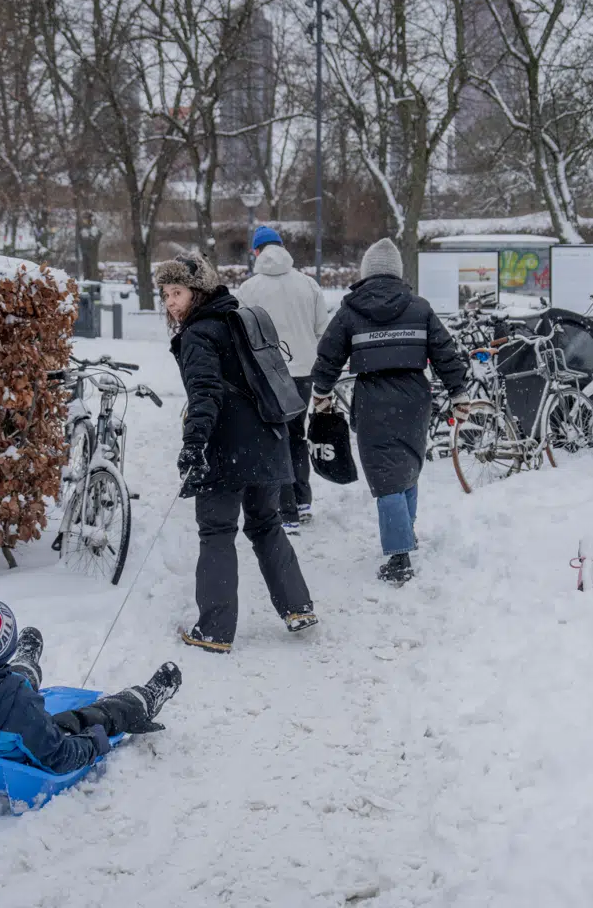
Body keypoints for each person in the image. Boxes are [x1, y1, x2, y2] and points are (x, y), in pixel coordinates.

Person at [158, 252, 318, 653]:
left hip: (227, 446)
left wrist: (194, 445)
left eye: (176, 292)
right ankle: (298, 607)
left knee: (216, 532)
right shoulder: (237, 319)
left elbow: (205, 395)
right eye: (164, 294)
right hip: (268, 439)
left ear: (198, 292)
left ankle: (214, 630)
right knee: (266, 526)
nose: (170, 303)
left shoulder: (198, 334)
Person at [309, 239, 471, 584]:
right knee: (407, 463)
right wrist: (458, 392)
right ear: (398, 273)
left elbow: (328, 356)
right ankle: (405, 531)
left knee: (385, 475)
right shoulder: (419, 307)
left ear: (365, 273)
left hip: (373, 398)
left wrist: (321, 393)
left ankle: (399, 557)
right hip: (415, 396)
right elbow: (445, 353)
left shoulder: (350, 311)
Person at [0, 598, 181, 775]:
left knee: (0, 681)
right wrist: (92, 742)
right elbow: (58, 757)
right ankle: (142, 700)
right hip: (15, 755)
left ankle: (25, 665)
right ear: (7, 647)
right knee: (90, 716)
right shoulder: (22, 705)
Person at [235, 225, 329, 535]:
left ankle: (286, 512)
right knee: (297, 436)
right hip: (303, 373)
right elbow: (321, 330)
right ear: (282, 247)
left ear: (256, 252)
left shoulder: (248, 289)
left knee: (276, 440)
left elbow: (241, 336)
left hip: (267, 374)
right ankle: (303, 500)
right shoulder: (308, 285)